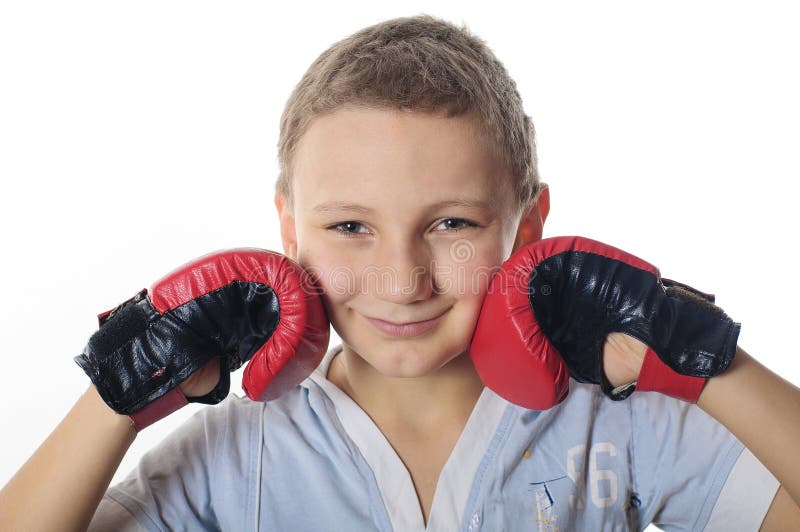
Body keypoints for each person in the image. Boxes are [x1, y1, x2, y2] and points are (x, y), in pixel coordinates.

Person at [2, 14, 799, 531]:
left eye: (451, 223)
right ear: (287, 229)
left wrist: (696, 353)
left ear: (530, 225)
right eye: (350, 227)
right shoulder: (234, 453)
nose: (401, 277)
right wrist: (122, 386)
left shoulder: (617, 422)